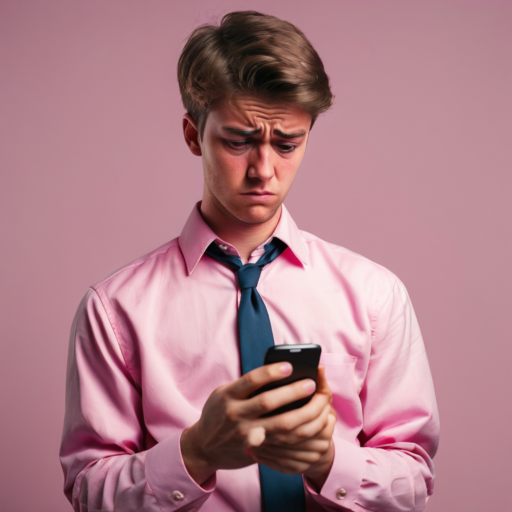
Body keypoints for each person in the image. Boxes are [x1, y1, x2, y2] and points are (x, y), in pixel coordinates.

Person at [60, 10, 439, 512]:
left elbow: (414, 478)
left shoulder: (375, 295)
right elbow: (88, 490)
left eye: (288, 143)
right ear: (193, 135)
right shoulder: (114, 310)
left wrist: (327, 461)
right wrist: (195, 453)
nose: (264, 169)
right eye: (239, 141)